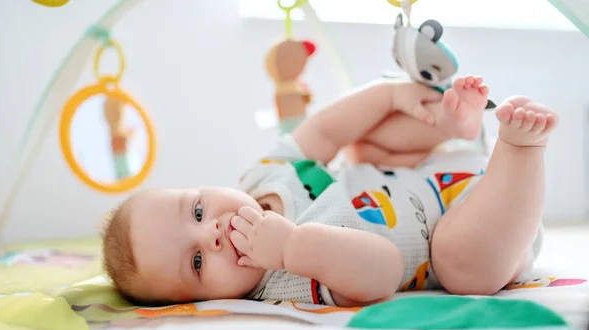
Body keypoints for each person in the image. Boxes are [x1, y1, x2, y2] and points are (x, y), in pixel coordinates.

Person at [102, 76, 558, 307]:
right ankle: (519, 150)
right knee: (460, 267)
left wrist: (389, 95)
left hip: (425, 167)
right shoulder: (289, 281)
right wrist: (291, 248)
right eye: (198, 262)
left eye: (197, 210)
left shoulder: (263, 177)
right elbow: (384, 270)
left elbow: (323, 130)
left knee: (361, 145)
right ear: (205, 302)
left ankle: (449, 125)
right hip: (484, 222)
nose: (213, 233)